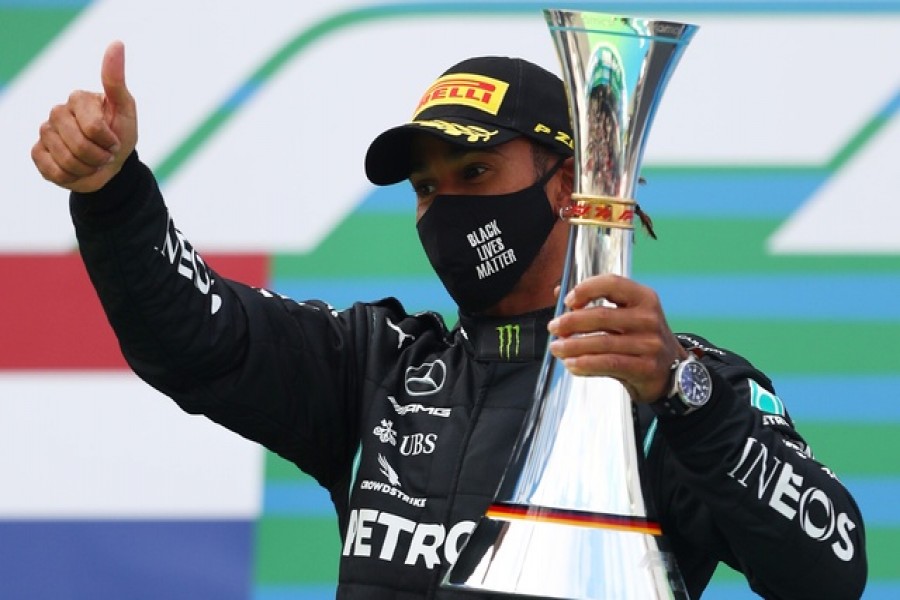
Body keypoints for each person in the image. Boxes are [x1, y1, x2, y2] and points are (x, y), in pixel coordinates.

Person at [32, 41, 867, 599]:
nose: (446, 207)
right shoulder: (375, 365)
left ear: (570, 182)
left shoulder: (668, 384)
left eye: (475, 169)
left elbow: (830, 569)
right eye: (428, 188)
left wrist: (687, 397)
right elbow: (193, 336)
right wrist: (113, 195)